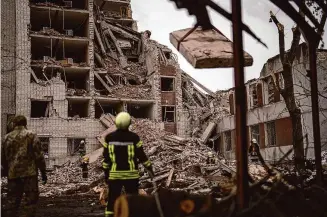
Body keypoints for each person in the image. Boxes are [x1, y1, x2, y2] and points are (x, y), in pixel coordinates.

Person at [102, 112, 154, 217]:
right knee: (133, 200)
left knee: (112, 200)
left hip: (115, 175)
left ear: (116, 123)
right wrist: (149, 168)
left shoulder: (109, 138)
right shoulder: (134, 138)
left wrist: (106, 175)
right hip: (131, 176)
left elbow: (106, 159)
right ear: (129, 123)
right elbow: (142, 156)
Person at [1, 115, 47, 217]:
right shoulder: (31, 135)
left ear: (14, 124)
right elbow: (39, 156)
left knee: (12, 202)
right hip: (29, 174)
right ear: (25, 123)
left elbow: (3, 159)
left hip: (13, 174)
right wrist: (43, 172)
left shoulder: (6, 138)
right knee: (30, 202)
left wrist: (5, 173)